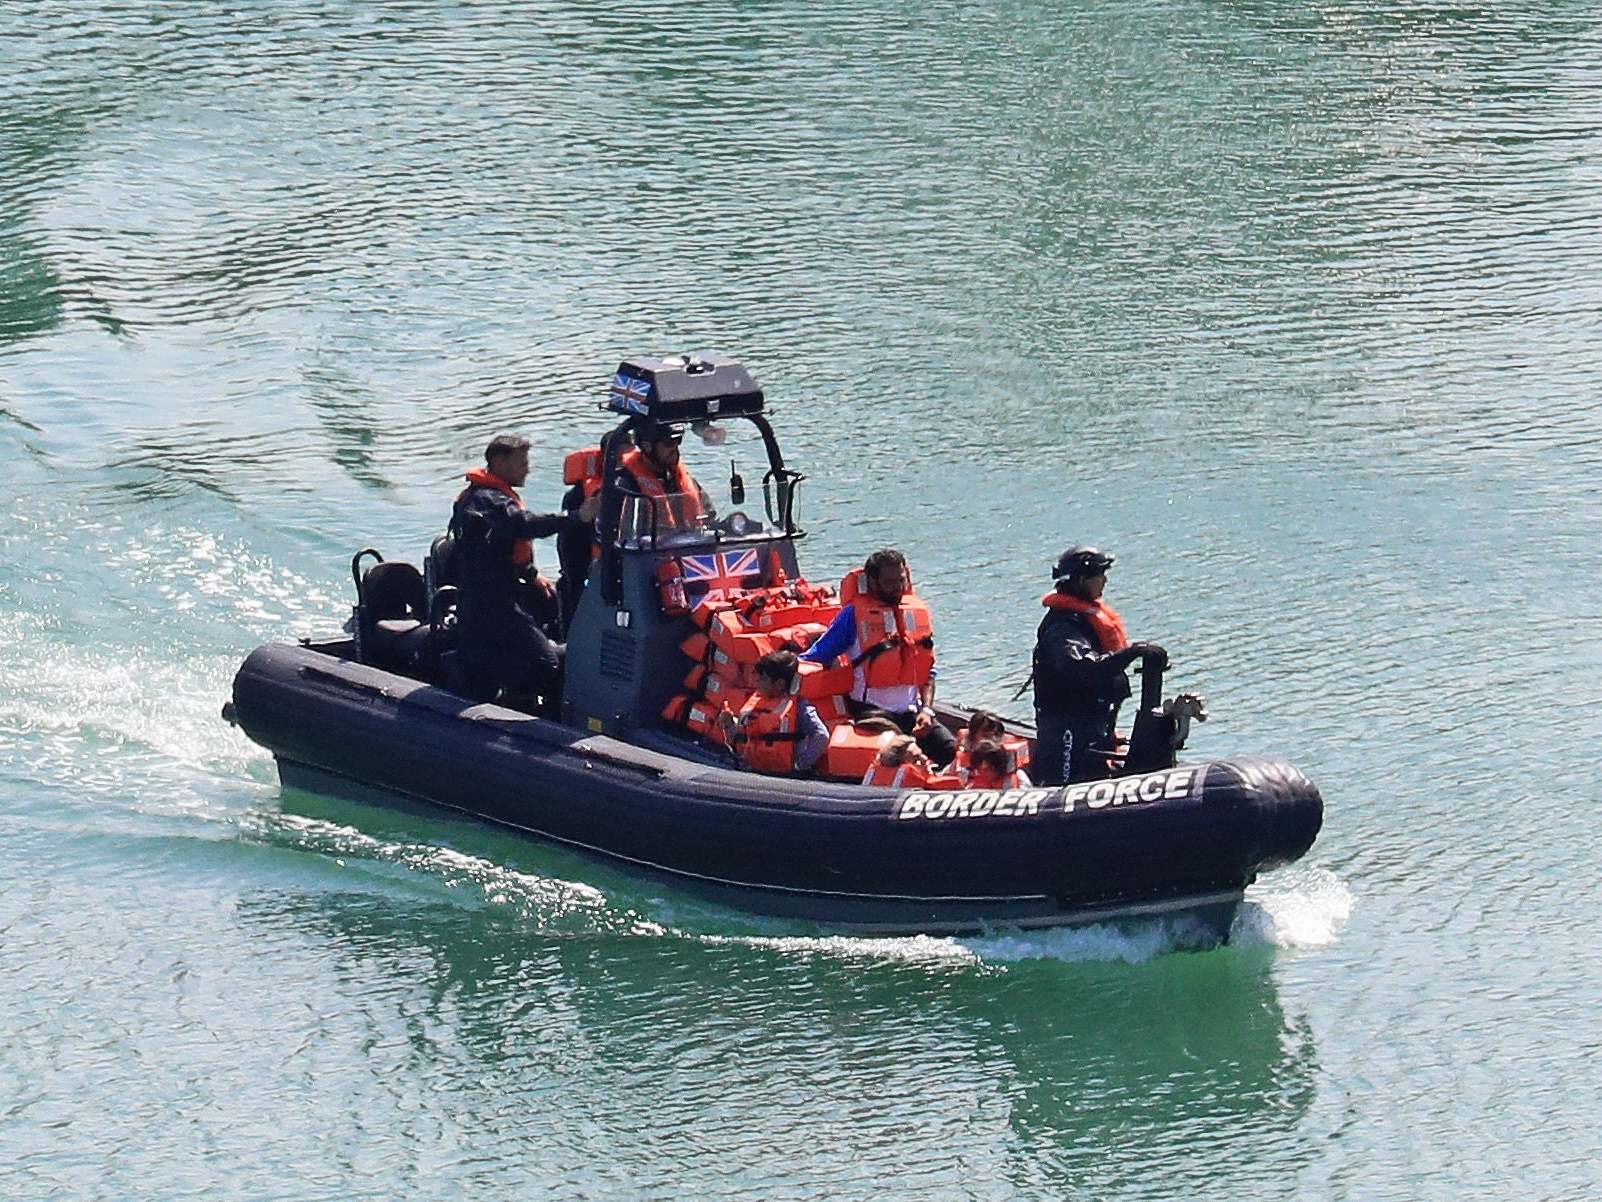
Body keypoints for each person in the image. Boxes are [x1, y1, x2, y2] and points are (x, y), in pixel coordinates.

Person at [450, 434, 596, 712]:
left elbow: (503, 547)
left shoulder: (495, 499)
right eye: (521, 463)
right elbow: (521, 524)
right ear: (498, 462)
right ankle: (542, 716)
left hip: (502, 596)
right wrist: (576, 517)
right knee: (548, 664)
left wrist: (531, 575)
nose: (527, 469)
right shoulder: (483, 502)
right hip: (490, 606)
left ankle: (520, 697)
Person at [801, 548, 957, 767]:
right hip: (871, 712)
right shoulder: (852, 615)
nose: (897, 587)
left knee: (949, 750)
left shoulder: (914, 613)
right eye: (890, 582)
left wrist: (927, 711)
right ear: (872, 582)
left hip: (912, 712)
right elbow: (816, 655)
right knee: (905, 753)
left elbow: (928, 672)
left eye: (901, 580)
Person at [1030, 545, 1166, 785]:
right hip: (1068, 727)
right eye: (1099, 575)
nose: (1104, 580)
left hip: (1096, 722)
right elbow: (1082, 668)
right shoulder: (1062, 628)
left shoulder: (1084, 619)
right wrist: (1131, 653)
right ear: (1082, 580)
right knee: (1068, 786)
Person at [719, 649, 828, 775]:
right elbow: (741, 740)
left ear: (779, 684)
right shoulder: (756, 703)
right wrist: (728, 725)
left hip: (787, 777)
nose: (757, 681)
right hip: (755, 770)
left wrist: (799, 765)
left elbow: (821, 735)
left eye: (763, 679)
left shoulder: (800, 707)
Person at [613, 420, 714, 537]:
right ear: (647, 446)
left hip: (690, 548)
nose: (675, 450)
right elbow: (618, 534)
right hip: (648, 552)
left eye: (677, 443)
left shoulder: (686, 481)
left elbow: (710, 519)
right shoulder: (624, 484)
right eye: (668, 444)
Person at [963, 738, 1031, 789]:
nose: (982, 773)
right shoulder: (969, 775)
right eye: (980, 769)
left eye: (987, 769)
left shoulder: (1018, 777)